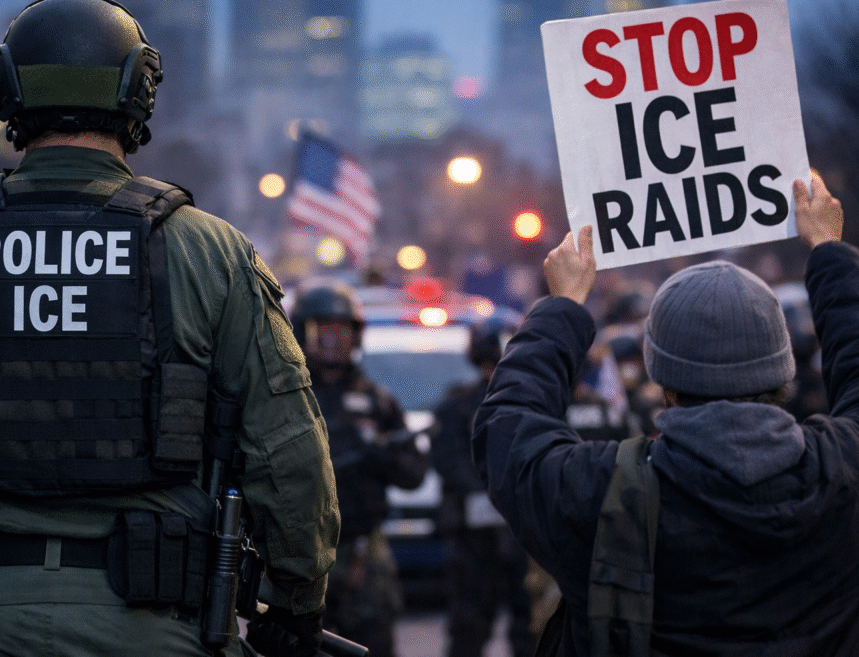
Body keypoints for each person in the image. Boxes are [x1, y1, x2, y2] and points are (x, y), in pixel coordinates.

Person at [0, 0, 338, 657]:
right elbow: (287, 449)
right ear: (138, 91)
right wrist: (297, 603)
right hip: (157, 626)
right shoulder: (208, 252)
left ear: (8, 90)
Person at [471, 171, 859, 655]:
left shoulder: (603, 494)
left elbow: (508, 430)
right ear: (782, 369)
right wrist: (828, 250)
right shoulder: (842, 469)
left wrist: (564, 304)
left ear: (663, 380)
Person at [289, 281, 427, 657]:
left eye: (342, 328)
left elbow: (414, 474)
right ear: (302, 330)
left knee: (373, 639)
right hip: (296, 549)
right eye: (323, 327)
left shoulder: (376, 400)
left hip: (362, 547)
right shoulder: (284, 395)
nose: (333, 338)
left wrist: (382, 457)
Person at [431, 314, 535, 657]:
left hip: (526, 538)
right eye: (492, 364)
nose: (498, 372)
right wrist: (488, 492)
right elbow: (449, 462)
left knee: (532, 626)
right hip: (473, 540)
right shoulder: (456, 406)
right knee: (468, 629)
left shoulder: (536, 405)